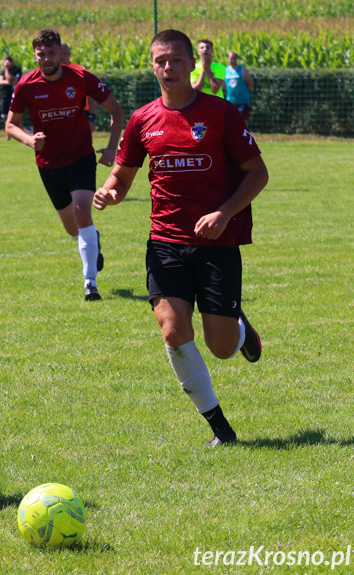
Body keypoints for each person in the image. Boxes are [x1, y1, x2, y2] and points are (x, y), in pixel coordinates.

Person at [93, 29, 268, 447]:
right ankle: (221, 431)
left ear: (192, 64)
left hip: (218, 244)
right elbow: (122, 176)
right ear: (152, 66)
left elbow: (258, 173)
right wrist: (110, 191)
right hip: (165, 243)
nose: (168, 67)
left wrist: (224, 213)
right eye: (160, 61)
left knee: (221, 347)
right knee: (172, 331)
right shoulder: (142, 119)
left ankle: (239, 330)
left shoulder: (222, 113)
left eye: (175, 59)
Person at [6, 29, 124, 301]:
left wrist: (112, 147)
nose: (46, 58)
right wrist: (28, 139)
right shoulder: (26, 85)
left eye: (51, 52)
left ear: (61, 53)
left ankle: (89, 283)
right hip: (48, 164)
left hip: (81, 157)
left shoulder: (81, 78)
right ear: (35, 55)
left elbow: (116, 111)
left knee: (83, 211)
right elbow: (10, 125)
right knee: (73, 228)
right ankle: (93, 239)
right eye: (41, 54)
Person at [61, 42, 97, 133]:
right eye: (59, 53)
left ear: (69, 54)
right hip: (60, 114)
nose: (61, 56)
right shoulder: (49, 72)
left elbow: (92, 96)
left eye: (63, 52)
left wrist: (91, 118)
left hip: (80, 114)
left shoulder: (80, 70)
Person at [0, 55, 21, 140]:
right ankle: (8, 135)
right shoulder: (3, 71)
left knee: (16, 115)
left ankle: (19, 134)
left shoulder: (16, 69)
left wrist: (7, 69)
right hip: (5, 95)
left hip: (14, 95)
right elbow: (0, 82)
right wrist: (9, 82)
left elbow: (12, 80)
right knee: (5, 116)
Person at [225, 51, 254, 121]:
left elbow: (250, 83)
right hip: (230, 101)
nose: (232, 60)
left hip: (242, 101)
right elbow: (224, 85)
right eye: (231, 58)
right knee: (230, 121)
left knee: (240, 120)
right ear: (227, 59)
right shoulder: (225, 70)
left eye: (234, 58)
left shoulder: (242, 69)